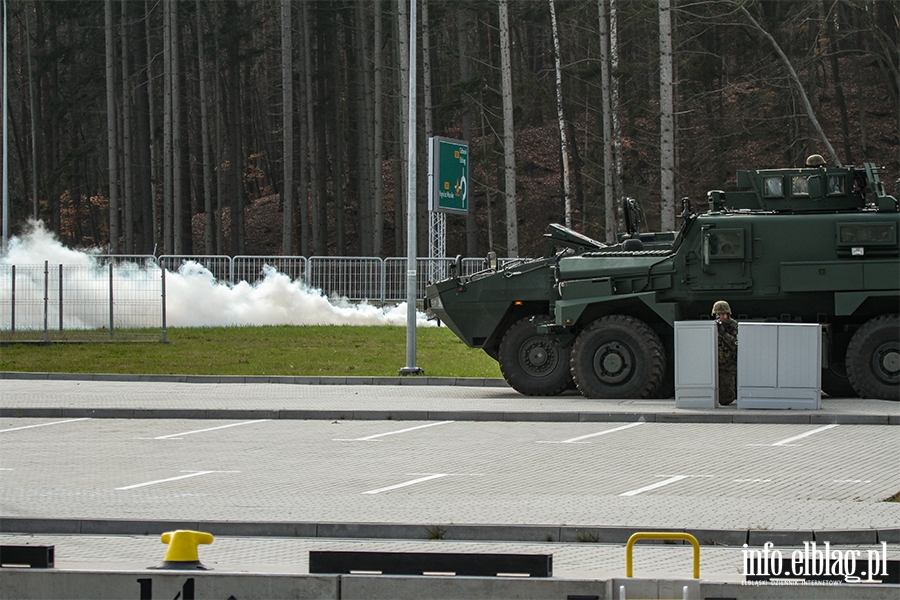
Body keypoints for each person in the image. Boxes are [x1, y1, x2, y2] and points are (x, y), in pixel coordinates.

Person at [712, 300, 738, 405]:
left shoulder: (733, 325)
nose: (721, 317)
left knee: (726, 398)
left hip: (728, 363)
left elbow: (734, 343)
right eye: (718, 314)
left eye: (723, 314)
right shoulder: (713, 326)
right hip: (716, 362)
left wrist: (723, 333)